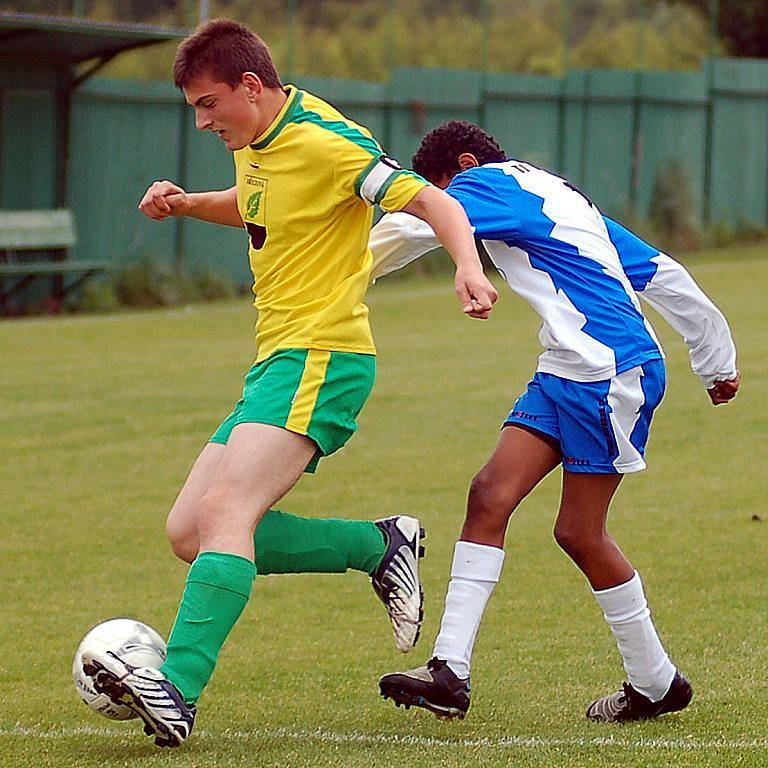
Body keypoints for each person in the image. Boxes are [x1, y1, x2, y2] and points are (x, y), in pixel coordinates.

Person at [82, 26, 497, 748]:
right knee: (191, 531)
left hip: (323, 355)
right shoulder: (256, 146)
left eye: (210, 104)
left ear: (251, 86)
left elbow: (432, 202)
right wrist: (186, 205)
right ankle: (377, 546)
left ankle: (177, 689)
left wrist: (467, 265)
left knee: (227, 509)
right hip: (278, 360)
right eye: (194, 109)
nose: (204, 121)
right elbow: (256, 207)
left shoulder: (328, 141)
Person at [371, 121, 740, 722]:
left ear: (462, 168)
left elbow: (420, 223)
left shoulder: (487, 183)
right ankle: (449, 672)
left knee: (580, 532)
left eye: (439, 188)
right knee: (488, 495)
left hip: (609, 369)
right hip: (569, 367)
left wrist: (329, 271)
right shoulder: (558, 198)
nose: (441, 202)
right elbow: (660, 271)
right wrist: (715, 359)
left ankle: (656, 682)